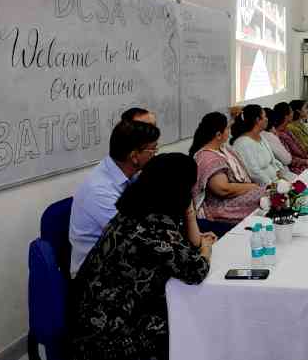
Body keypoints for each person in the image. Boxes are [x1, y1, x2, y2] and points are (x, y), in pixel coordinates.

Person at [70, 153, 214, 360]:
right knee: (192, 324)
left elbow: (185, 246)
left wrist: (189, 212)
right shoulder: (151, 227)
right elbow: (195, 270)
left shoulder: (133, 210)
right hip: (110, 336)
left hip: (94, 317)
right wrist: (206, 249)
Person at [69, 119, 161, 276]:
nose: (156, 155)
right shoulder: (99, 191)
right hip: (94, 276)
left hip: (120, 258)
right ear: (134, 156)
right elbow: (135, 238)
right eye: (152, 150)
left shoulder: (129, 176)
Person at [189, 112, 267, 224]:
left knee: (269, 193)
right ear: (218, 135)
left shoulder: (223, 149)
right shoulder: (207, 157)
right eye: (227, 128)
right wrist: (252, 187)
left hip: (234, 195)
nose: (229, 132)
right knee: (266, 197)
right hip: (220, 206)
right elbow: (222, 189)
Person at [231, 104, 289, 184]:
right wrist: (272, 185)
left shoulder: (261, 136)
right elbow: (254, 173)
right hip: (264, 187)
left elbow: (273, 161)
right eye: (265, 117)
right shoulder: (242, 144)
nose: (267, 119)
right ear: (257, 120)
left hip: (276, 181)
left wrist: (280, 176)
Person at [272, 102, 308, 174]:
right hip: (295, 167)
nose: (293, 113)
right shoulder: (279, 135)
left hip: (304, 160)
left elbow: (300, 149)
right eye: (291, 112)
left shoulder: (286, 130)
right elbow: (289, 159)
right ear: (286, 116)